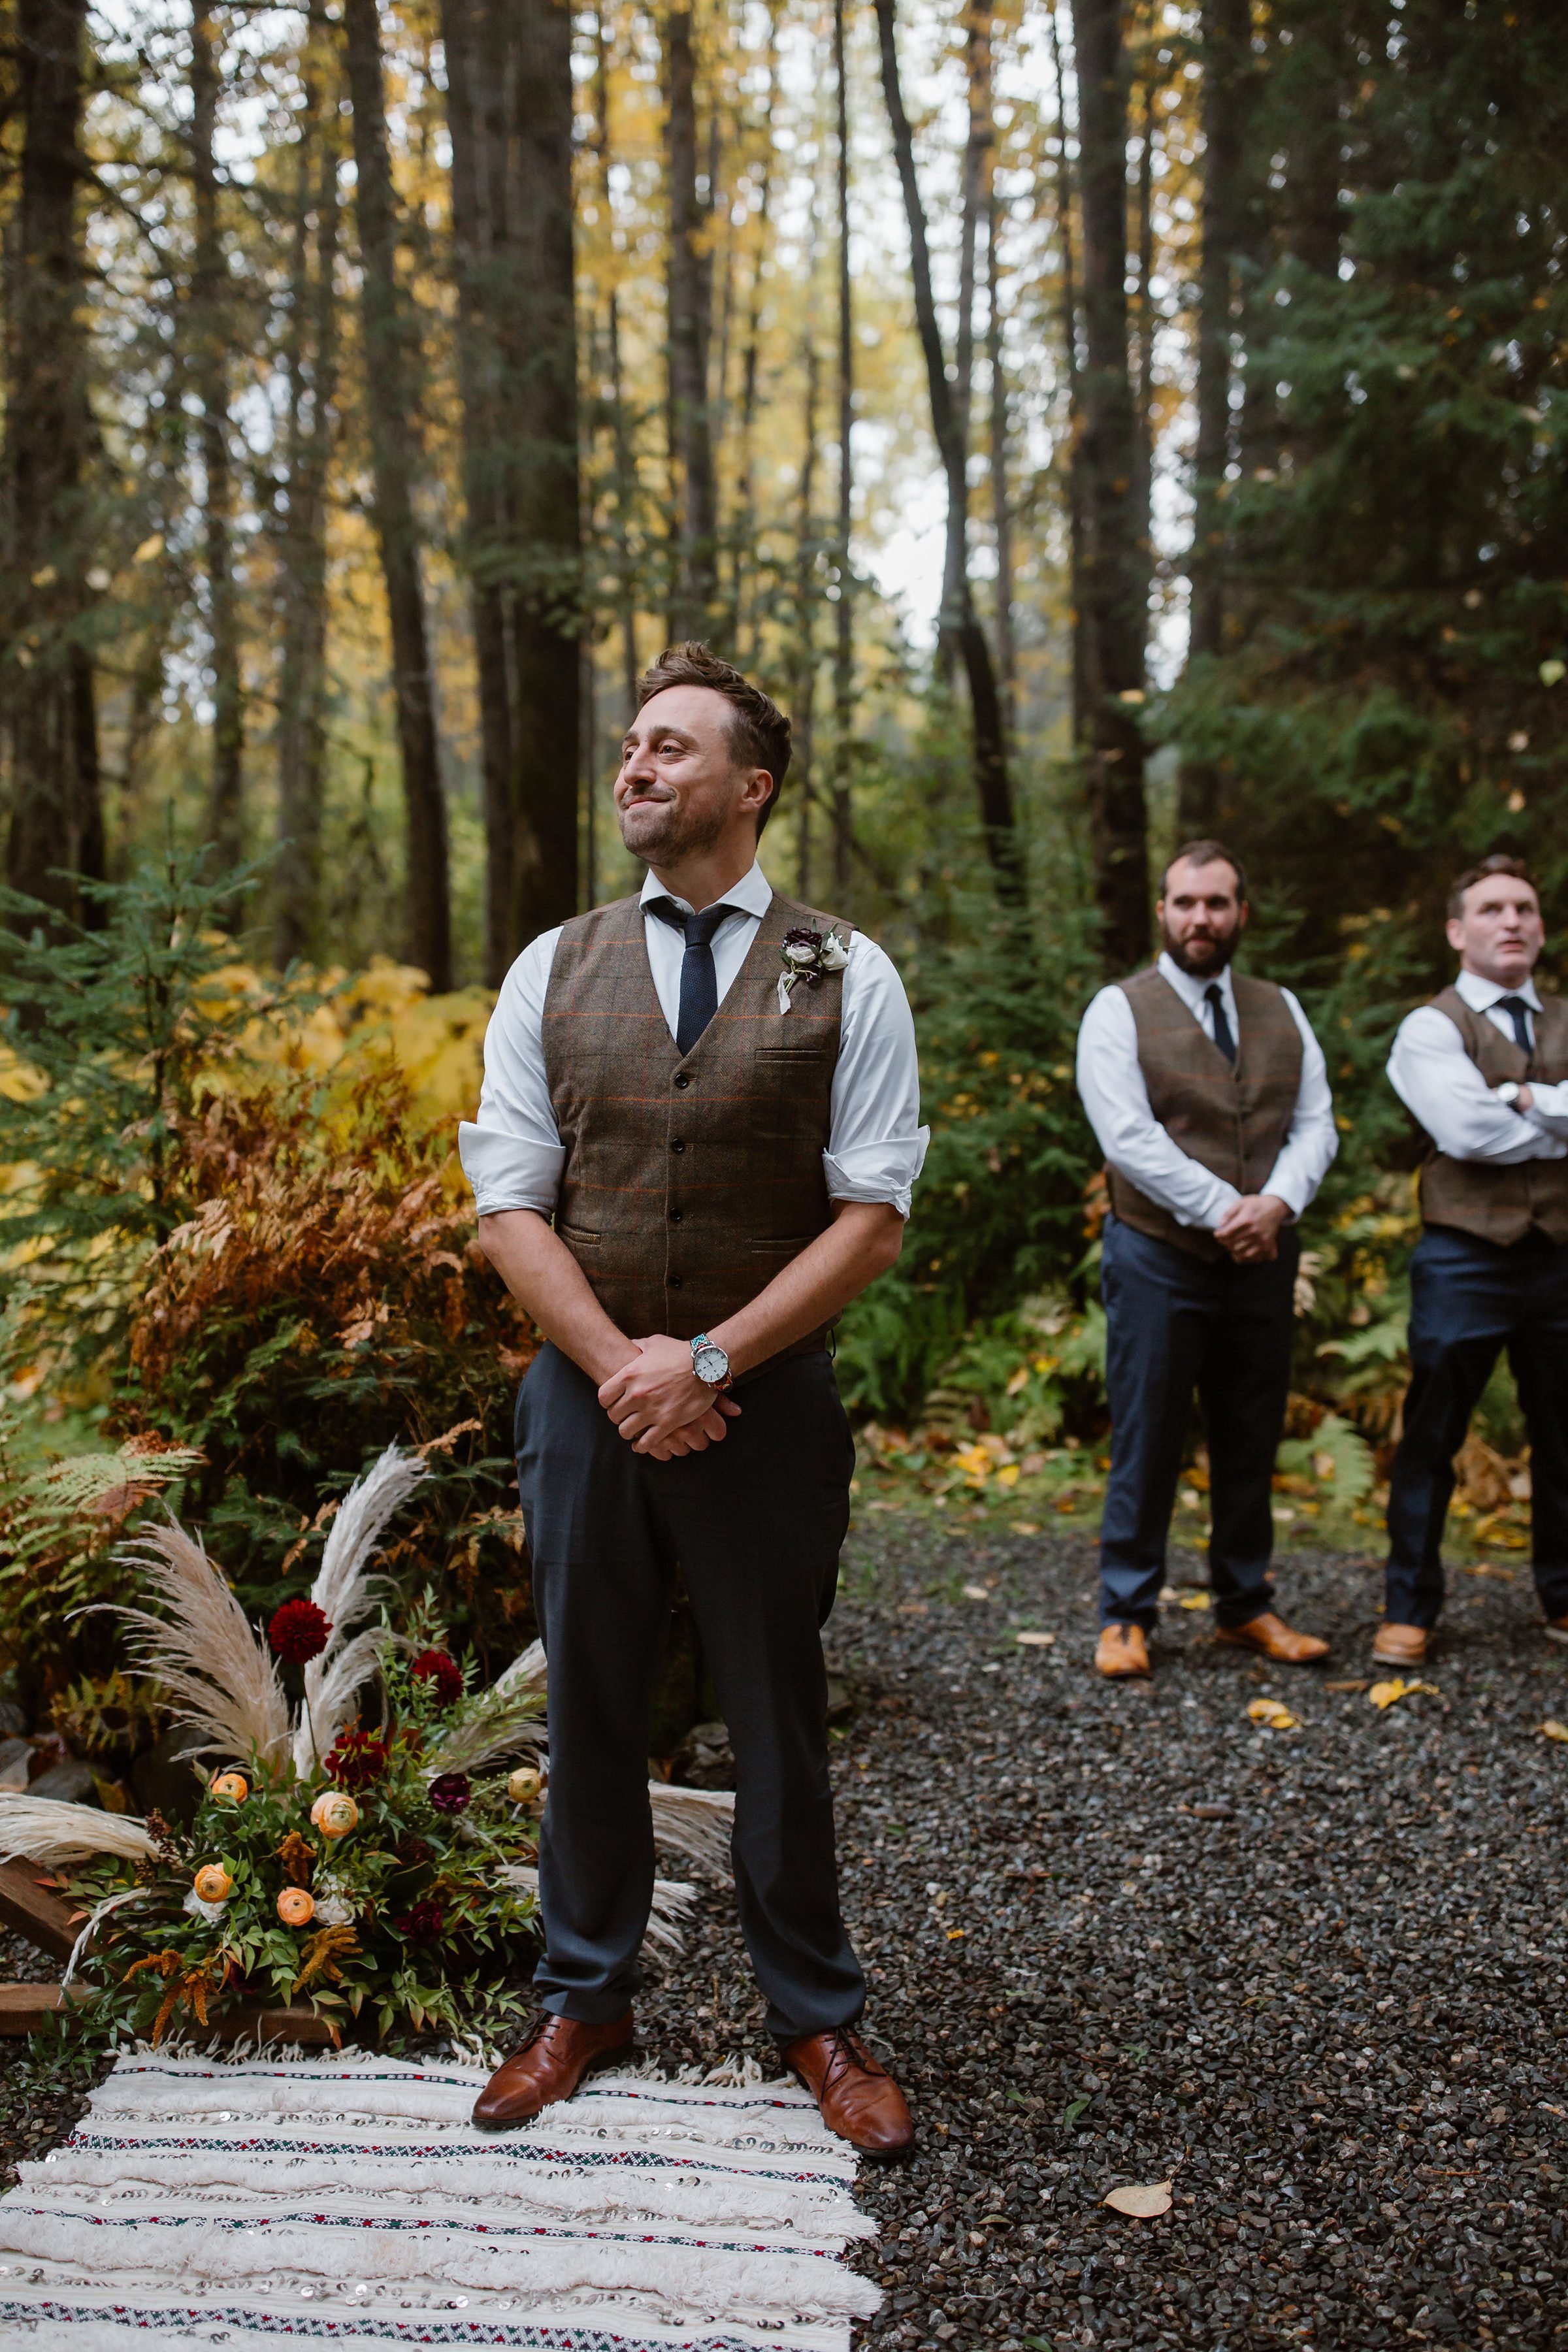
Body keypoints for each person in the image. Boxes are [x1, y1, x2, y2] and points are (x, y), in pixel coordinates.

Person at [457, 642, 926, 2158]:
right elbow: (508, 1206)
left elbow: (869, 1215)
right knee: (583, 1696)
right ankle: (580, 1998)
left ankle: (814, 2016)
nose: (636, 767)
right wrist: (619, 1368)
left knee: (772, 1710)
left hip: (762, 1408)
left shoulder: (845, 971)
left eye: (670, 747)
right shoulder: (551, 964)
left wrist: (709, 1361)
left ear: (749, 783)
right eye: (630, 746)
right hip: (583, 1398)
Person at [1075, 841, 1338, 1678]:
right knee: (1150, 1429)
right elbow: (1128, 1138)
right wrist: (1230, 1210)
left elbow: (1316, 1123)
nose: (1202, 918)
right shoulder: (1119, 1010)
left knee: (1251, 1432)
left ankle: (1244, 1606)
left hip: (1264, 1252)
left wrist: (1278, 1205)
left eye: (1218, 903)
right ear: (1163, 911)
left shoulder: (1281, 1007)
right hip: (1159, 1251)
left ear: (1241, 915)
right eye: (1186, 902)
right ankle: (1126, 1612)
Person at [1377, 853, 1568, 1665]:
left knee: (1565, 1438)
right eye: (1492, 909)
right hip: (1463, 1258)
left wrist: (1523, 1097)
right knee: (1432, 1436)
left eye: (1524, 907)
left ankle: (1563, 1598)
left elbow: (1497, 1119)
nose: (1513, 921)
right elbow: (1466, 1134)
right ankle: (1409, 1609)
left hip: (1562, 1258)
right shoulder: (1431, 1026)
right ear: (1458, 931)